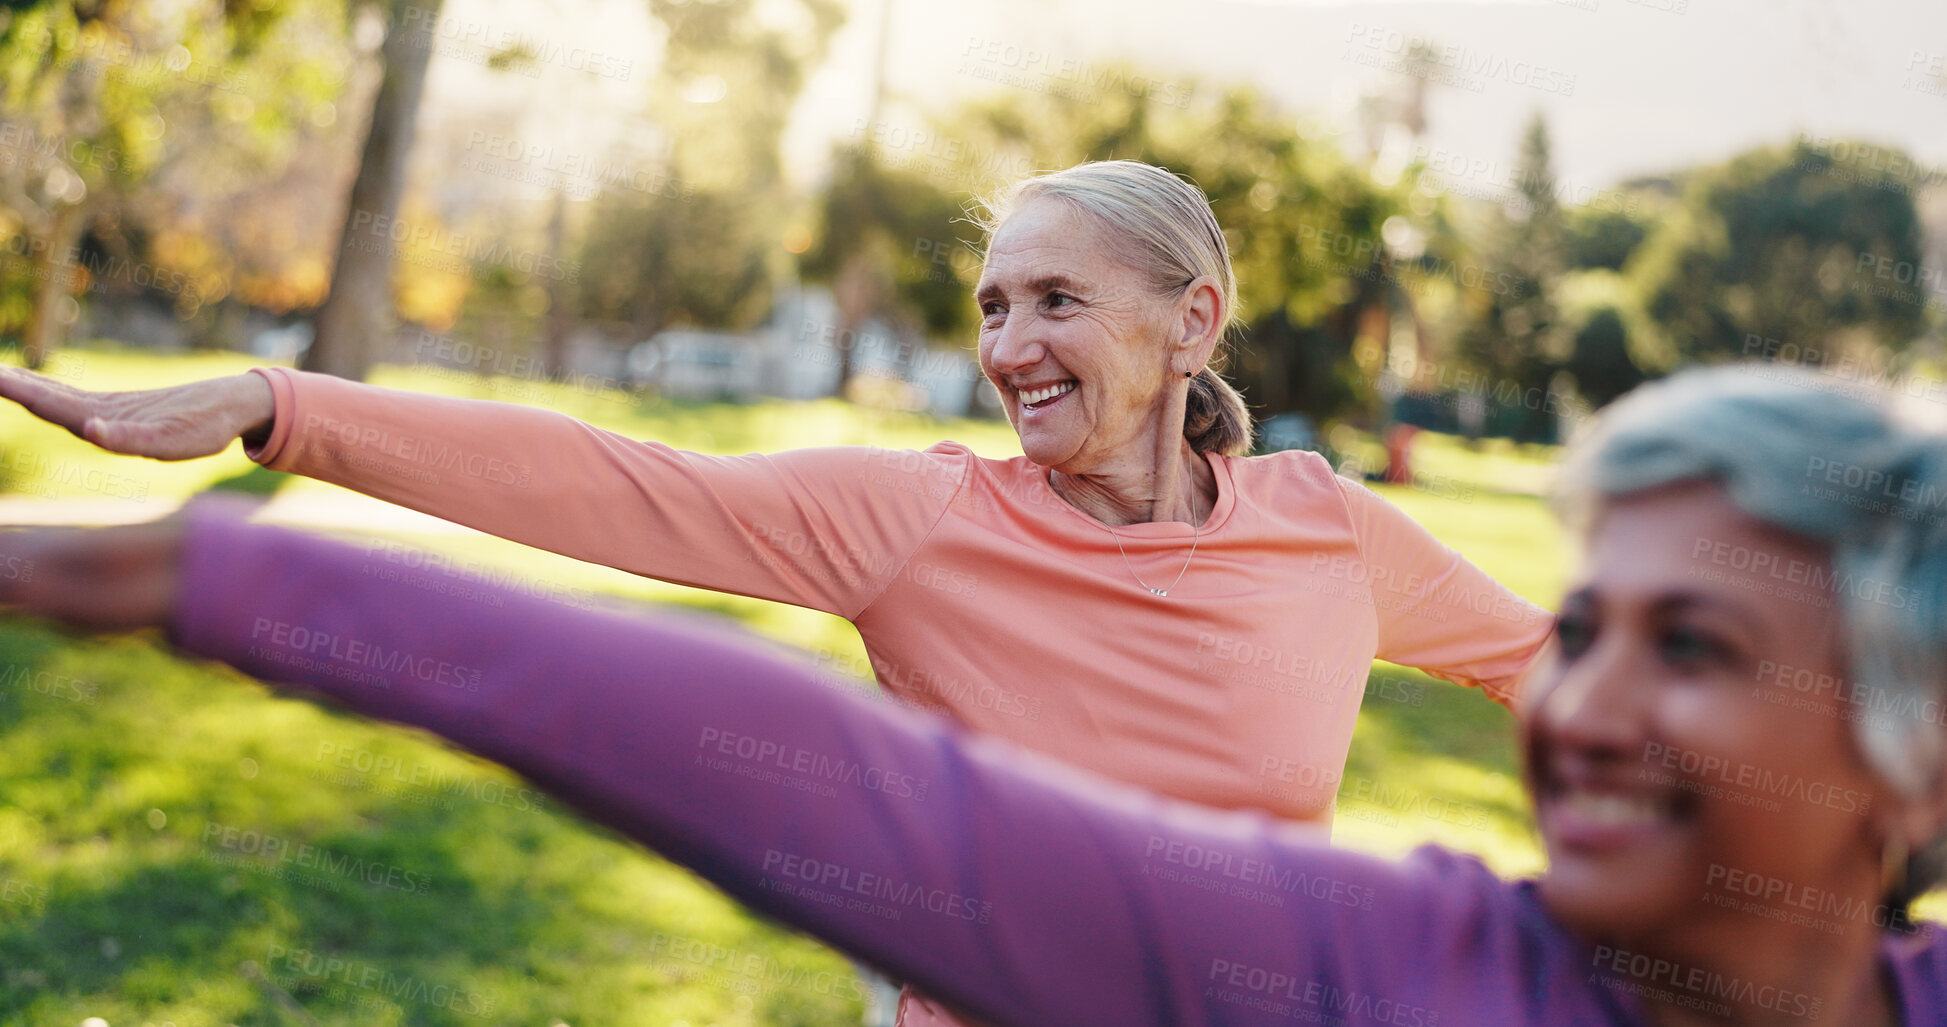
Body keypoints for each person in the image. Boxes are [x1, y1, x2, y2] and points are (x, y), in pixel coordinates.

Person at [0, 161, 1549, 1023]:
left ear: (1191, 324)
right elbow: (612, 479)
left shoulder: (1327, 534)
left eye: (1057, 301)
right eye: (994, 304)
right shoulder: (920, 521)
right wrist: (283, 406)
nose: (1009, 347)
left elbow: (1555, 671)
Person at [13, 363, 1947, 1024]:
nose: (1588, 705)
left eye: (1685, 647)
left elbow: (1519, 652)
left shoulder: (1323, 530)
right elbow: (840, 773)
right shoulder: (1399, 977)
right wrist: (251, 485)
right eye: (990, 298)